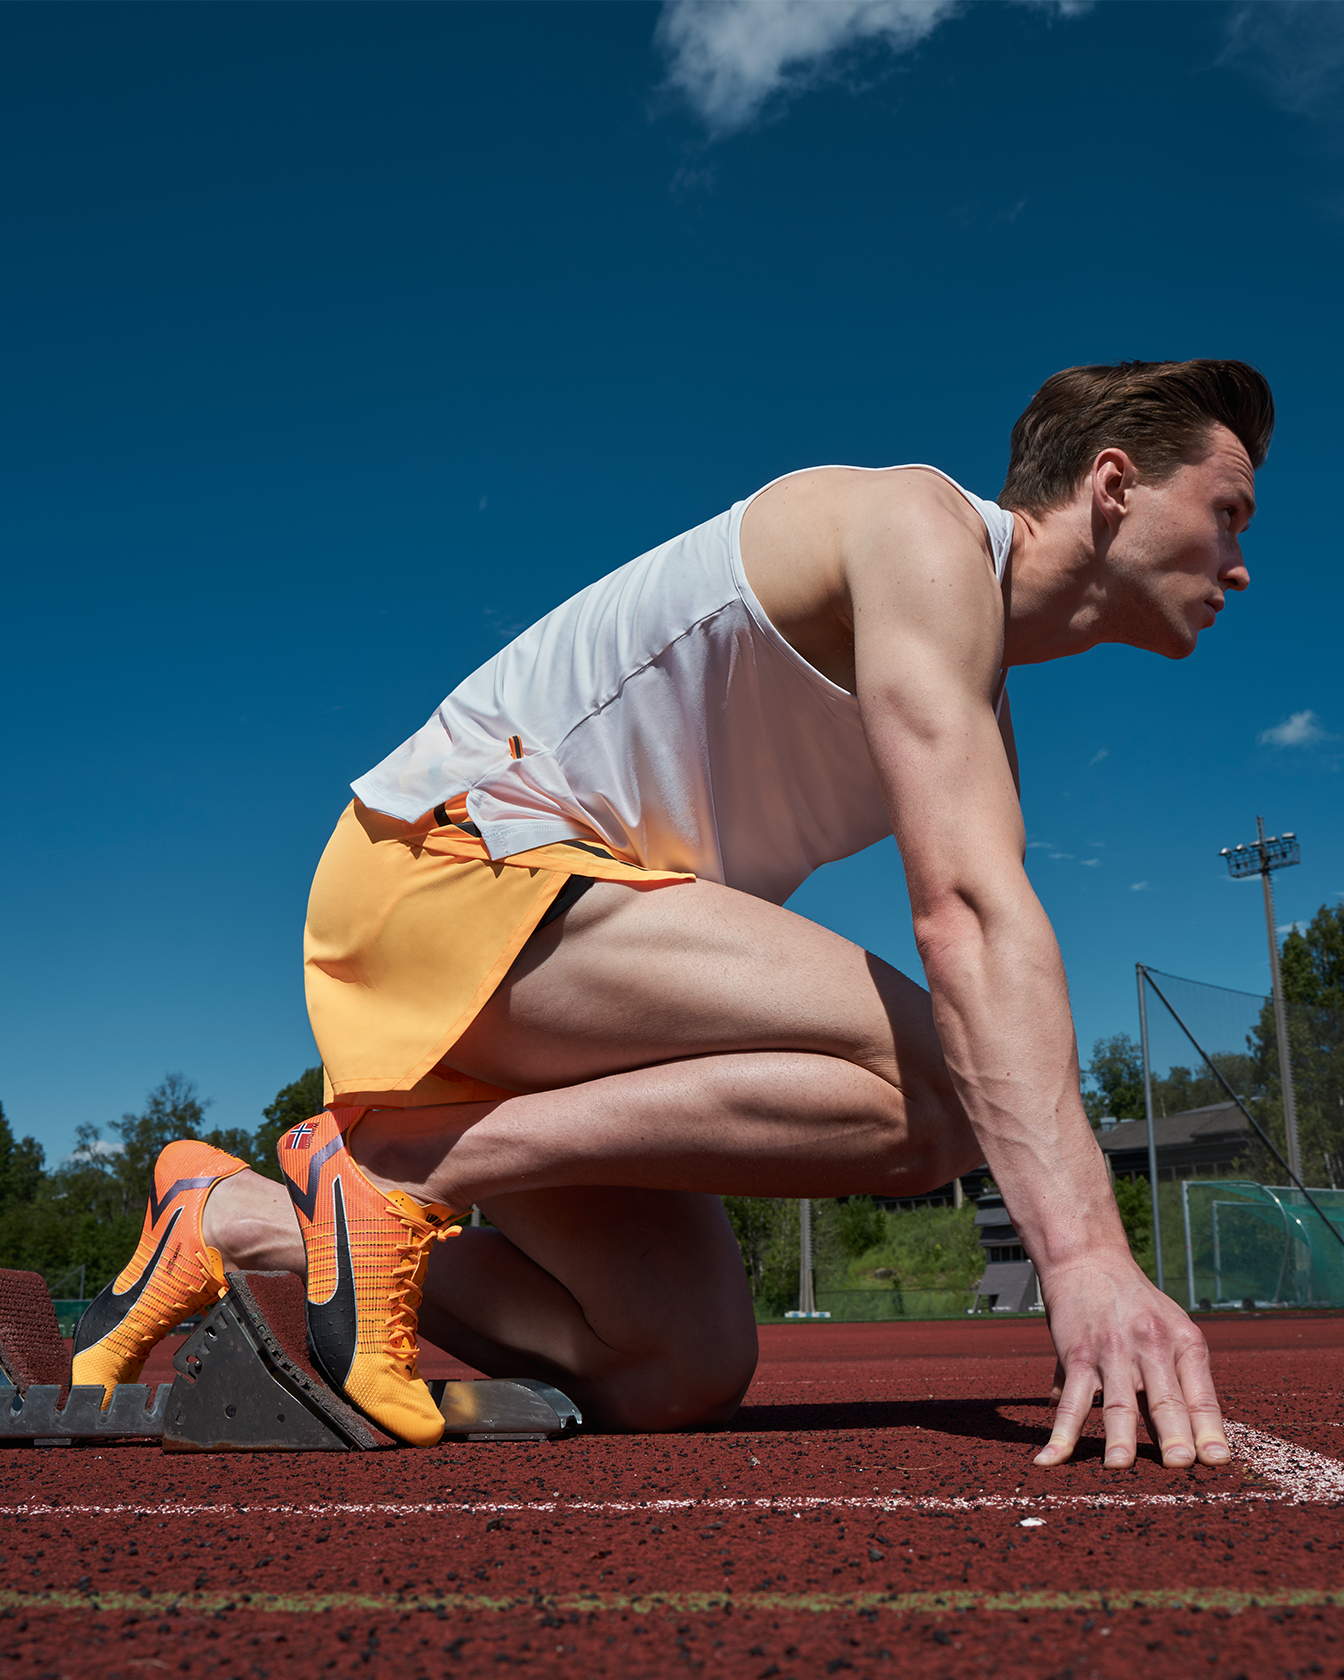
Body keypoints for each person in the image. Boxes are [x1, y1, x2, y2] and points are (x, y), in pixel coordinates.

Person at [74, 359, 1270, 1463]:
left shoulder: (977, 694)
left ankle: (235, 1218)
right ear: (1114, 486)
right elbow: (967, 915)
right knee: (949, 1087)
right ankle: (399, 1172)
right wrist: (1086, 1260)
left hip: (571, 985)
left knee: (671, 1368)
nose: (1241, 561)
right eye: (1229, 512)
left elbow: (993, 936)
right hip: (447, 877)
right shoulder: (920, 525)